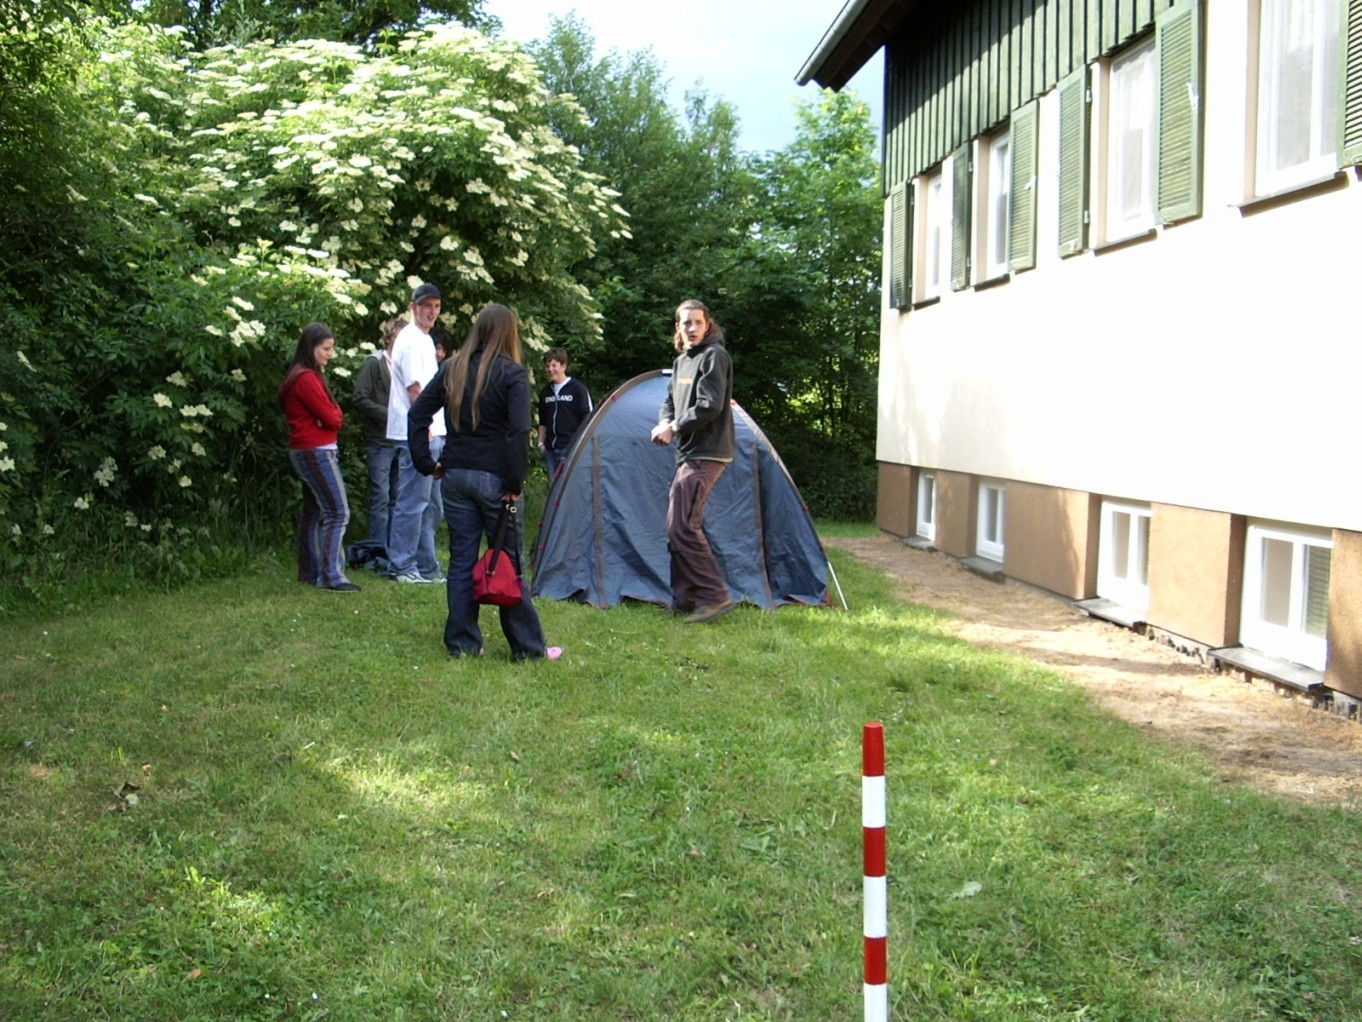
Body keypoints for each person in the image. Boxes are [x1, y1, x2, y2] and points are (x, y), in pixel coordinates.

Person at [410, 303, 561, 661]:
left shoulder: (452, 367)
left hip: (455, 475)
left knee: (462, 559)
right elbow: (519, 431)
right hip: (495, 479)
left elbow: (417, 413)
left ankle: (463, 644)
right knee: (508, 560)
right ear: (510, 333)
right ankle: (528, 648)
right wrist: (514, 482)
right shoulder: (512, 374)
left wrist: (425, 463)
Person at [650, 299, 736, 623]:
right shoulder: (681, 362)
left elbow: (710, 405)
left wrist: (673, 428)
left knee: (683, 525)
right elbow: (669, 401)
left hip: (709, 451)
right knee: (678, 527)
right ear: (678, 327)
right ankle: (684, 601)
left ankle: (715, 596)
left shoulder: (715, 356)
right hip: (688, 453)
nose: (692, 328)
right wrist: (665, 421)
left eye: (698, 322)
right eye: (686, 322)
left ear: (707, 324)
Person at [279, 322, 359, 592]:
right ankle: (331, 576)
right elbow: (333, 417)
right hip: (316, 451)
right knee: (338, 512)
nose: (329, 354)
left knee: (313, 512)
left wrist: (330, 416)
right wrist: (330, 417)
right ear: (311, 347)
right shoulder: (306, 379)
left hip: (308, 449)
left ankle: (310, 572)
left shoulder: (301, 375)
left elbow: (331, 415)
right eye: (325, 349)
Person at [385, 283, 447, 584]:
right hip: (417, 433)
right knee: (412, 501)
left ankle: (426, 566)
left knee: (432, 505)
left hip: (431, 432)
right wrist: (427, 428)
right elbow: (415, 390)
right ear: (413, 307)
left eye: (436, 306)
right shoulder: (410, 340)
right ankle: (402, 565)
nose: (431, 312)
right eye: (426, 306)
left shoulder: (425, 339)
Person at [351, 316, 404, 554]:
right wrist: (389, 415)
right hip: (379, 440)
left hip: (400, 439)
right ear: (388, 338)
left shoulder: (405, 366)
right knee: (380, 496)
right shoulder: (374, 363)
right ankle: (376, 549)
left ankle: (393, 548)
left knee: (397, 497)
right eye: (397, 337)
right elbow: (359, 398)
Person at [537, 347, 593, 481]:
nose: (550, 369)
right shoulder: (545, 392)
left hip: (570, 449)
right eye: (547, 366)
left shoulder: (578, 389)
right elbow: (542, 421)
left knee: (570, 487)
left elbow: (588, 420)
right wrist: (540, 443)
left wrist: (580, 446)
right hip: (550, 450)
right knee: (553, 487)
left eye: (554, 365)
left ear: (563, 366)